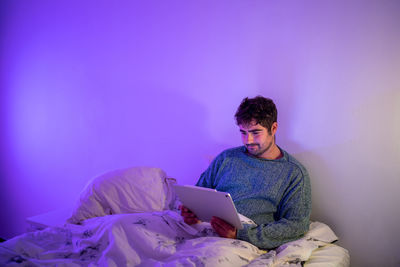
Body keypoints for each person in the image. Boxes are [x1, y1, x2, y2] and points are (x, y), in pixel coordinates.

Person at [180, 96, 311, 249]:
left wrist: (239, 234)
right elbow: (198, 194)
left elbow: (296, 225)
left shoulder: (293, 173)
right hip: (203, 229)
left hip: (240, 240)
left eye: (256, 132)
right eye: (243, 132)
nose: (247, 140)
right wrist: (191, 213)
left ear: (273, 128)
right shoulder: (226, 158)